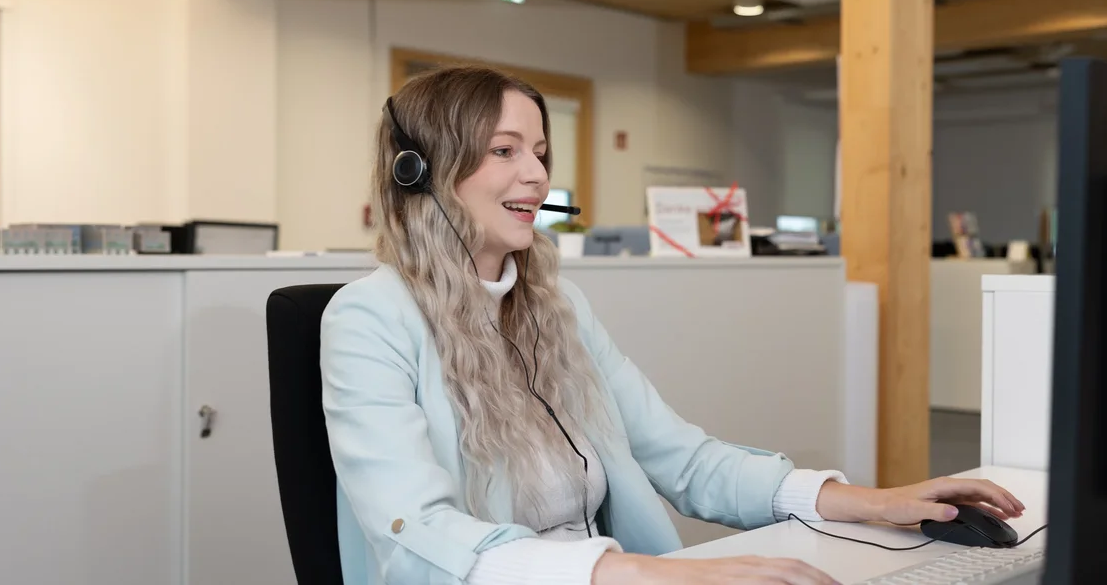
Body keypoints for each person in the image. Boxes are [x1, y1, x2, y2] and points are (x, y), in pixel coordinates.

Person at [320, 65, 1026, 585]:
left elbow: (684, 460)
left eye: (540, 152)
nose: (535, 175)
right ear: (422, 173)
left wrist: (870, 502)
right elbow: (418, 535)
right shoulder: (369, 320)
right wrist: (638, 575)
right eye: (506, 151)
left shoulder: (554, 313)